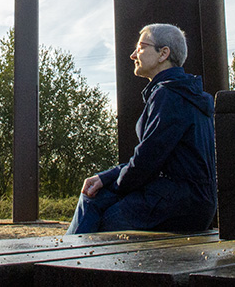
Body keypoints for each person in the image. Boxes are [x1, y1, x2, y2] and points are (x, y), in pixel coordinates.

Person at [66, 23, 217, 234]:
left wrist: (114, 185)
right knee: (96, 194)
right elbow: (155, 157)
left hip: (174, 205)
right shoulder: (189, 94)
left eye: (141, 47)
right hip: (195, 203)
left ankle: (68, 254)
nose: (133, 55)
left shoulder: (168, 95)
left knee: (93, 201)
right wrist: (105, 177)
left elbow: (147, 161)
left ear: (163, 53)